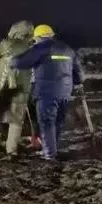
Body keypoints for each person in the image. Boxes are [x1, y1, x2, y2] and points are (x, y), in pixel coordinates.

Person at [11, 24, 83, 161]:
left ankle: (49, 154)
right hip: (65, 93)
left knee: (47, 123)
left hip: (46, 94)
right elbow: (78, 72)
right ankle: (51, 149)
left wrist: (12, 59)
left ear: (37, 38)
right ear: (51, 35)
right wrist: (78, 82)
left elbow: (19, 62)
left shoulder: (41, 48)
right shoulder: (67, 49)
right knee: (57, 122)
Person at [0, 21, 34, 157]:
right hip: (21, 88)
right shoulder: (31, 48)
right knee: (16, 120)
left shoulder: (6, 43)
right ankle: (11, 149)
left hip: (2, 88)